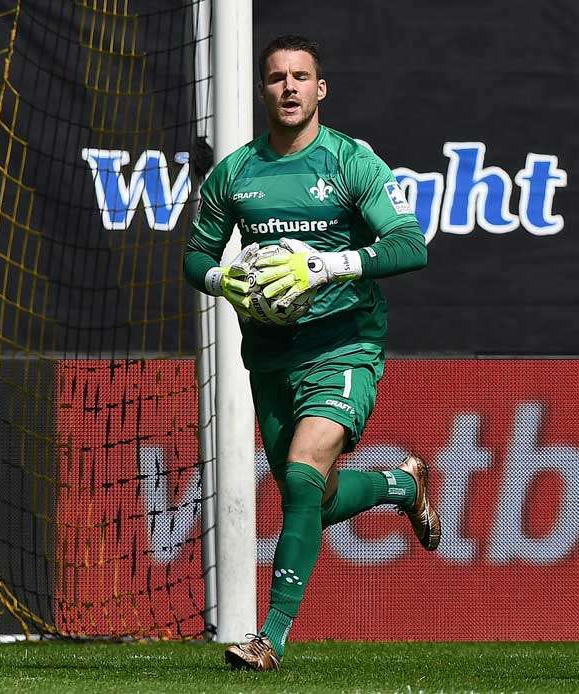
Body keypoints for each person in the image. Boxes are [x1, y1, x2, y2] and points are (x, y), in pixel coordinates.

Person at [182, 34, 439, 671]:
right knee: (314, 501)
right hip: (269, 353)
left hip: (344, 343)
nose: (290, 87)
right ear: (263, 89)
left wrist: (329, 265)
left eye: (302, 77)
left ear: (321, 89)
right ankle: (398, 484)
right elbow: (195, 257)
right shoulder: (234, 175)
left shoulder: (351, 162)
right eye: (277, 78)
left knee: (299, 477)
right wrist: (224, 280)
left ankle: (268, 638)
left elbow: (411, 245)